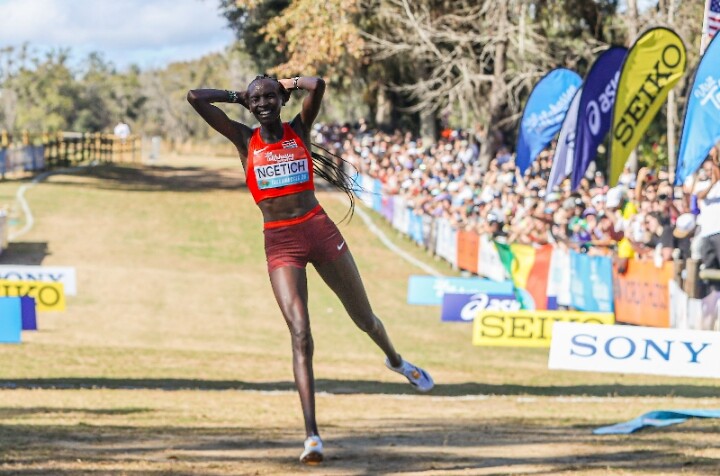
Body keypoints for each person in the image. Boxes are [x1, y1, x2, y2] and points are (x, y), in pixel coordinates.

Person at [187, 75, 434, 464]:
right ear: (249, 104)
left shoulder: (298, 131)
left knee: (365, 319)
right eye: (256, 99)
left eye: (270, 96)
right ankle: (312, 436)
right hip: (280, 243)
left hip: (319, 231)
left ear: (282, 100)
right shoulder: (244, 139)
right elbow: (195, 96)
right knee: (300, 333)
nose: (263, 103)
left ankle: (397, 360)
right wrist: (239, 96)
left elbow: (317, 84)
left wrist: (285, 81)